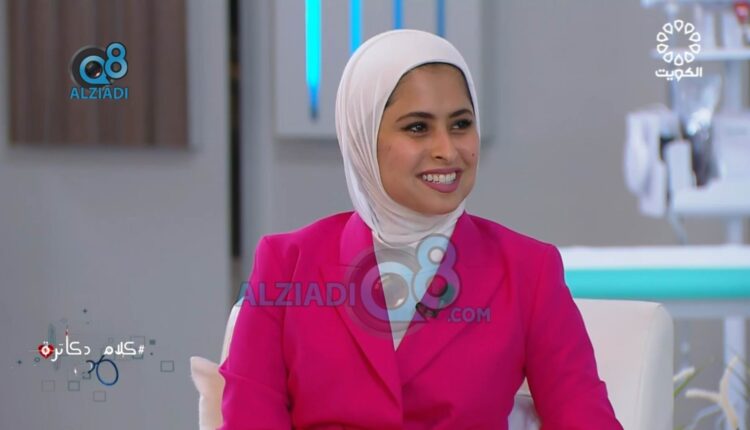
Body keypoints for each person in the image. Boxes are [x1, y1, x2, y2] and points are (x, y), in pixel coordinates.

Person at [219, 29, 622, 429]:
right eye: (417, 127)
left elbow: (584, 419)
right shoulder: (286, 263)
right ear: (363, 137)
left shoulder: (528, 269)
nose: (447, 150)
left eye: (461, 124)